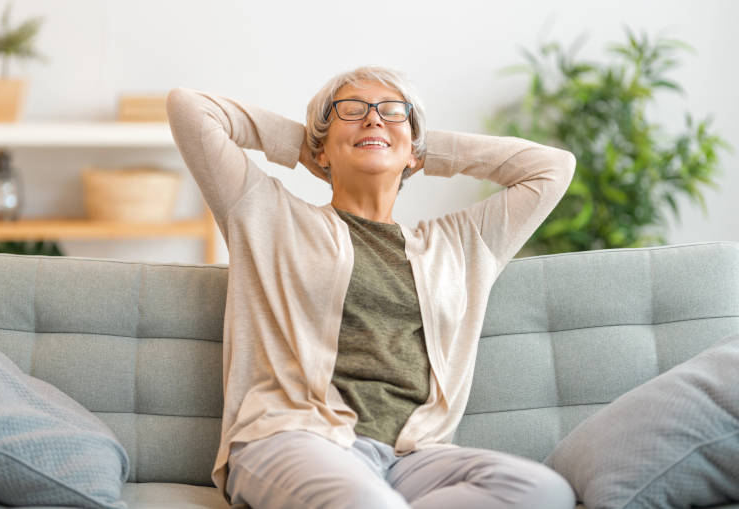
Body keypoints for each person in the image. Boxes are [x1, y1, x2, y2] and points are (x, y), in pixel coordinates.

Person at [166, 65, 577, 509]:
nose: (373, 118)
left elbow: (552, 168)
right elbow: (191, 109)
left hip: (413, 461)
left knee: (543, 491)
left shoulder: (459, 244)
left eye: (391, 111)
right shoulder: (267, 214)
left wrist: (417, 146)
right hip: (293, 437)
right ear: (320, 148)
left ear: (415, 153)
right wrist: (308, 146)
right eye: (352, 109)